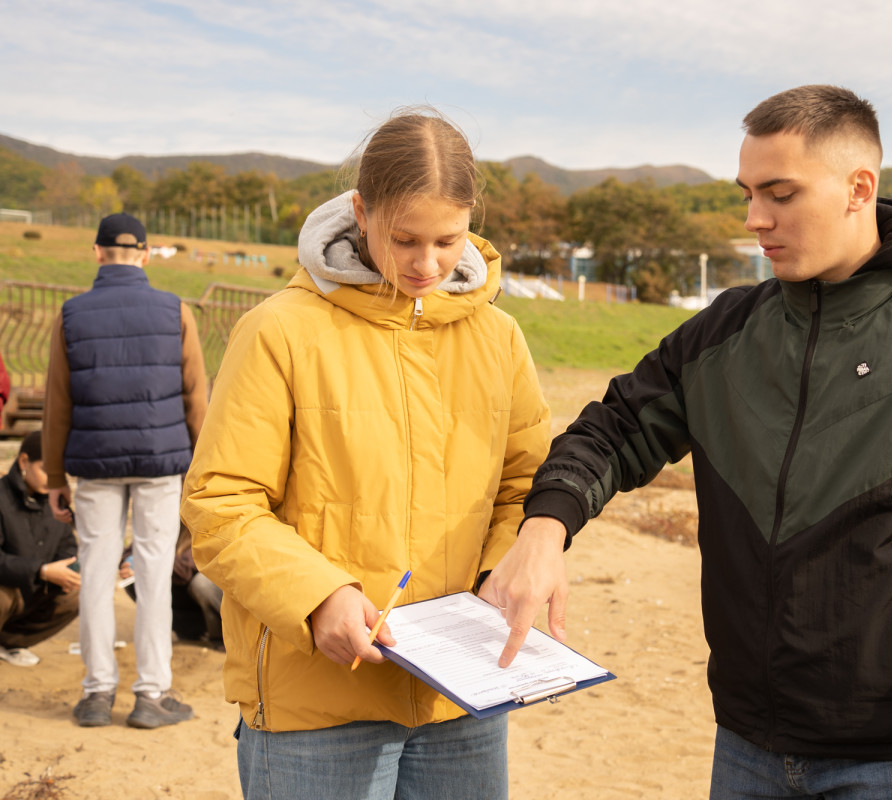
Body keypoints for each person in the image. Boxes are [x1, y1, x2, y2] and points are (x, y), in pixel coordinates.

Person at [482, 85, 892, 799]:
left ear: (859, 189)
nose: (756, 219)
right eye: (748, 194)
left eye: (780, 194)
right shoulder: (726, 329)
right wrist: (544, 529)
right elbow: (615, 427)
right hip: (745, 745)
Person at [181, 108, 551, 800]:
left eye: (448, 240)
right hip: (317, 700)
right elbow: (220, 505)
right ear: (360, 210)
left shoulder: (499, 339)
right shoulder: (277, 332)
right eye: (404, 238)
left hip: (460, 699)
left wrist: (505, 571)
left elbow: (526, 484)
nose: (427, 264)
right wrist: (318, 597)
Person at [41, 212, 208, 729]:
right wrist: (204, 469)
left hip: (93, 465)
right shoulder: (176, 311)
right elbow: (195, 399)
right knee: (155, 573)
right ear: (145, 253)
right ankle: (152, 696)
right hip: (161, 463)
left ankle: (96, 694)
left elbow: (57, 405)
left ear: (96, 253)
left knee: (94, 572)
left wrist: (52, 478)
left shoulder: (70, 315)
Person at [0, 430, 80, 666]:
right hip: (9, 589)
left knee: (78, 594)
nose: (52, 478)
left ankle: (8, 644)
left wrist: (70, 570)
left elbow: (67, 545)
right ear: (24, 461)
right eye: (46, 470)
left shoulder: (57, 502)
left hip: (35, 592)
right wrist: (41, 571)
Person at [120, 524, 223, 650]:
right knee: (135, 583)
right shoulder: (166, 516)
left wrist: (148, 566)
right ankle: (191, 634)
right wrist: (129, 562)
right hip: (183, 592)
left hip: (210, 591)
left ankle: (220, 638)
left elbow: (188, 568)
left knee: (202, 584)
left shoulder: (206, 517)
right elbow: (136, 547)